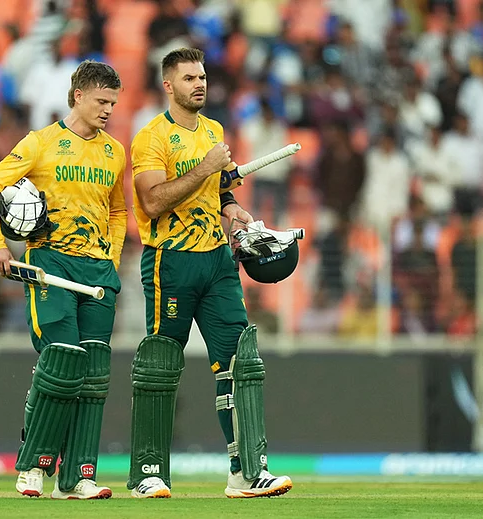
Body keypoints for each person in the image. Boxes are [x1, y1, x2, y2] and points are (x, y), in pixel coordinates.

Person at [127, 47, 292, 499]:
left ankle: (247, 471)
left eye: (201, 77)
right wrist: (207, 167)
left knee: (241, 362)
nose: (199, 84)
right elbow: (152, 201)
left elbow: (217, 189)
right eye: (189, 78)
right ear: (168, 85)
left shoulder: (214, 130)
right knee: (161, 366)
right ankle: (147, 473)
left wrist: (231, 205)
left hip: (218, 260)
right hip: (170, 261)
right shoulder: (151, 137)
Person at [0, 60, 126, 499]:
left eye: (113, 103)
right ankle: (33, 467)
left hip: (98, 271)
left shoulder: (115, 152)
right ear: (78, 95)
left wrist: (112, 258)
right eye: (102, 101)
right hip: (50, 264)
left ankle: (77, 476)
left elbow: (118, 211)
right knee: (61, 361)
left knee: (93, 375)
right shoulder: (40, 143)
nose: (108, 110)